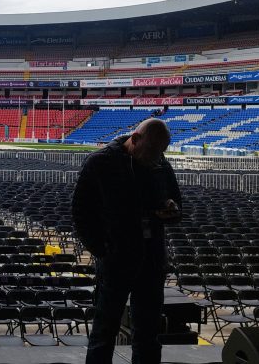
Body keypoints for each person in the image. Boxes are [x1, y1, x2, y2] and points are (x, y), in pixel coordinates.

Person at [72, 118, 183, 364]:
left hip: (151, 261)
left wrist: (172, 210)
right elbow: (81, 212)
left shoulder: (161, 165)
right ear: (135, 139)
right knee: (104, 333)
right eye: (152, 151)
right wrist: (102, 248)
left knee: (148, 335)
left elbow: (177, 201)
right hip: (116, 260)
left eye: (161, 152)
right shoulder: (101, 163)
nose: (156, 157)